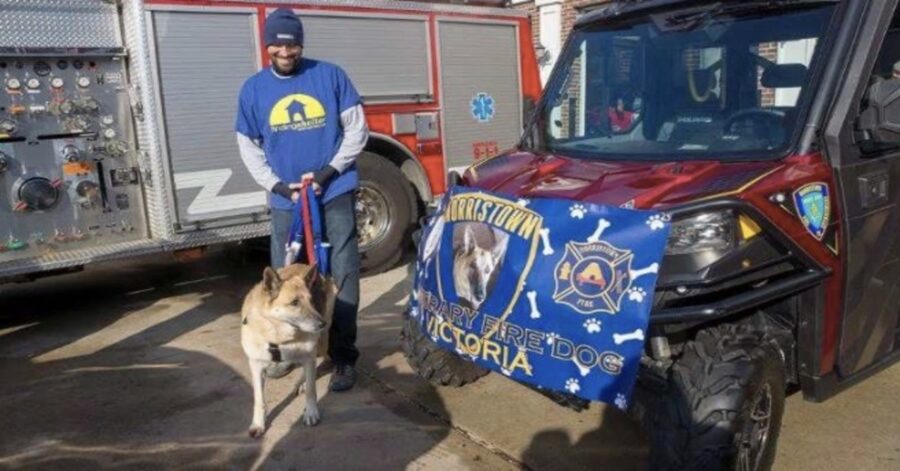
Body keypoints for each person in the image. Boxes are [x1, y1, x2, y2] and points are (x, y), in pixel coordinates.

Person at [235, 8, 368, 392]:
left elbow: (356, 131)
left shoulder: (329, 76)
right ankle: (285, 353)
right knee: (284, 285)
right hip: (286, 202)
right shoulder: (254, 90)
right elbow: (248, 147)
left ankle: (343, 357)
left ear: (301, 43)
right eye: (277, 42)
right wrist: (277, 186)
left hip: (334, 191)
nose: (285, 50)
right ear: (267, 46)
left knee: (339, 278)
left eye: (292, 42)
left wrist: (328, 172)